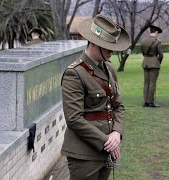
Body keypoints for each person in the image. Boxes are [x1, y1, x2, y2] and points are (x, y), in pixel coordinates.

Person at [61, 14, 131, 180]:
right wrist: (107, 142)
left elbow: (118, 106)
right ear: (94, 42)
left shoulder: (109, 69)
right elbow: (73, 118)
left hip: (106, 151)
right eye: (107, 47)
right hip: (83, 154)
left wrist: (116, 132)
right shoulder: (74, 73)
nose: (111, 52)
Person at [141, 24, 164, 107]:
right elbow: (161, 55)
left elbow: (143, 53)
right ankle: (150, 102)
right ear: (156, 32)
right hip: (154, 64)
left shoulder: (143, 40)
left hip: (145, 63)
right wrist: (158, 62)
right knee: (152, 83)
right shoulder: (157, 41)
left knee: (146, 83)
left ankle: (145, 101)